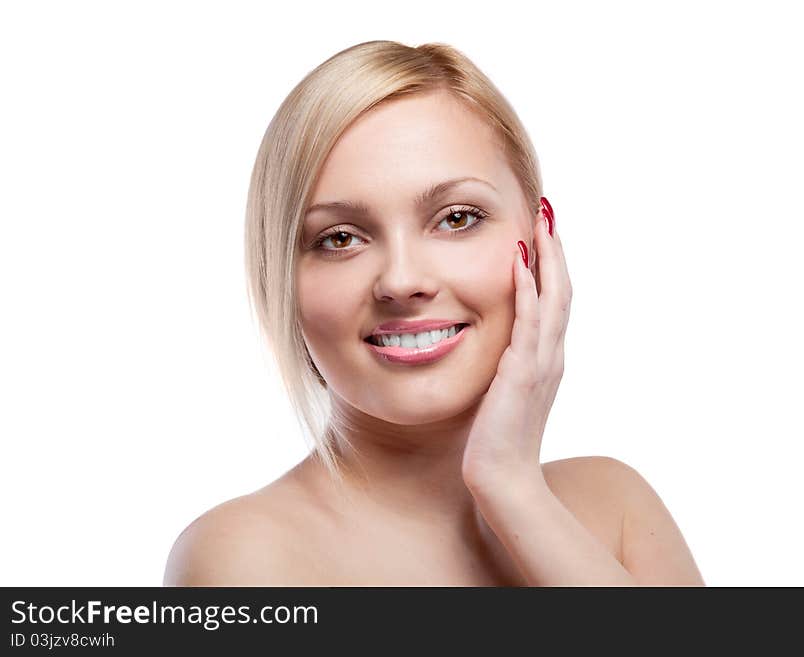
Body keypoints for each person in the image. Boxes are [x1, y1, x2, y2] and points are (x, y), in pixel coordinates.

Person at [163, 40, 705, 586]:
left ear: (540, 239)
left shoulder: (615, 509)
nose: (402, 280)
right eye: (340, 237)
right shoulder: (243, 557)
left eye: (456, 219)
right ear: (277, 276)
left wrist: (511, 487)